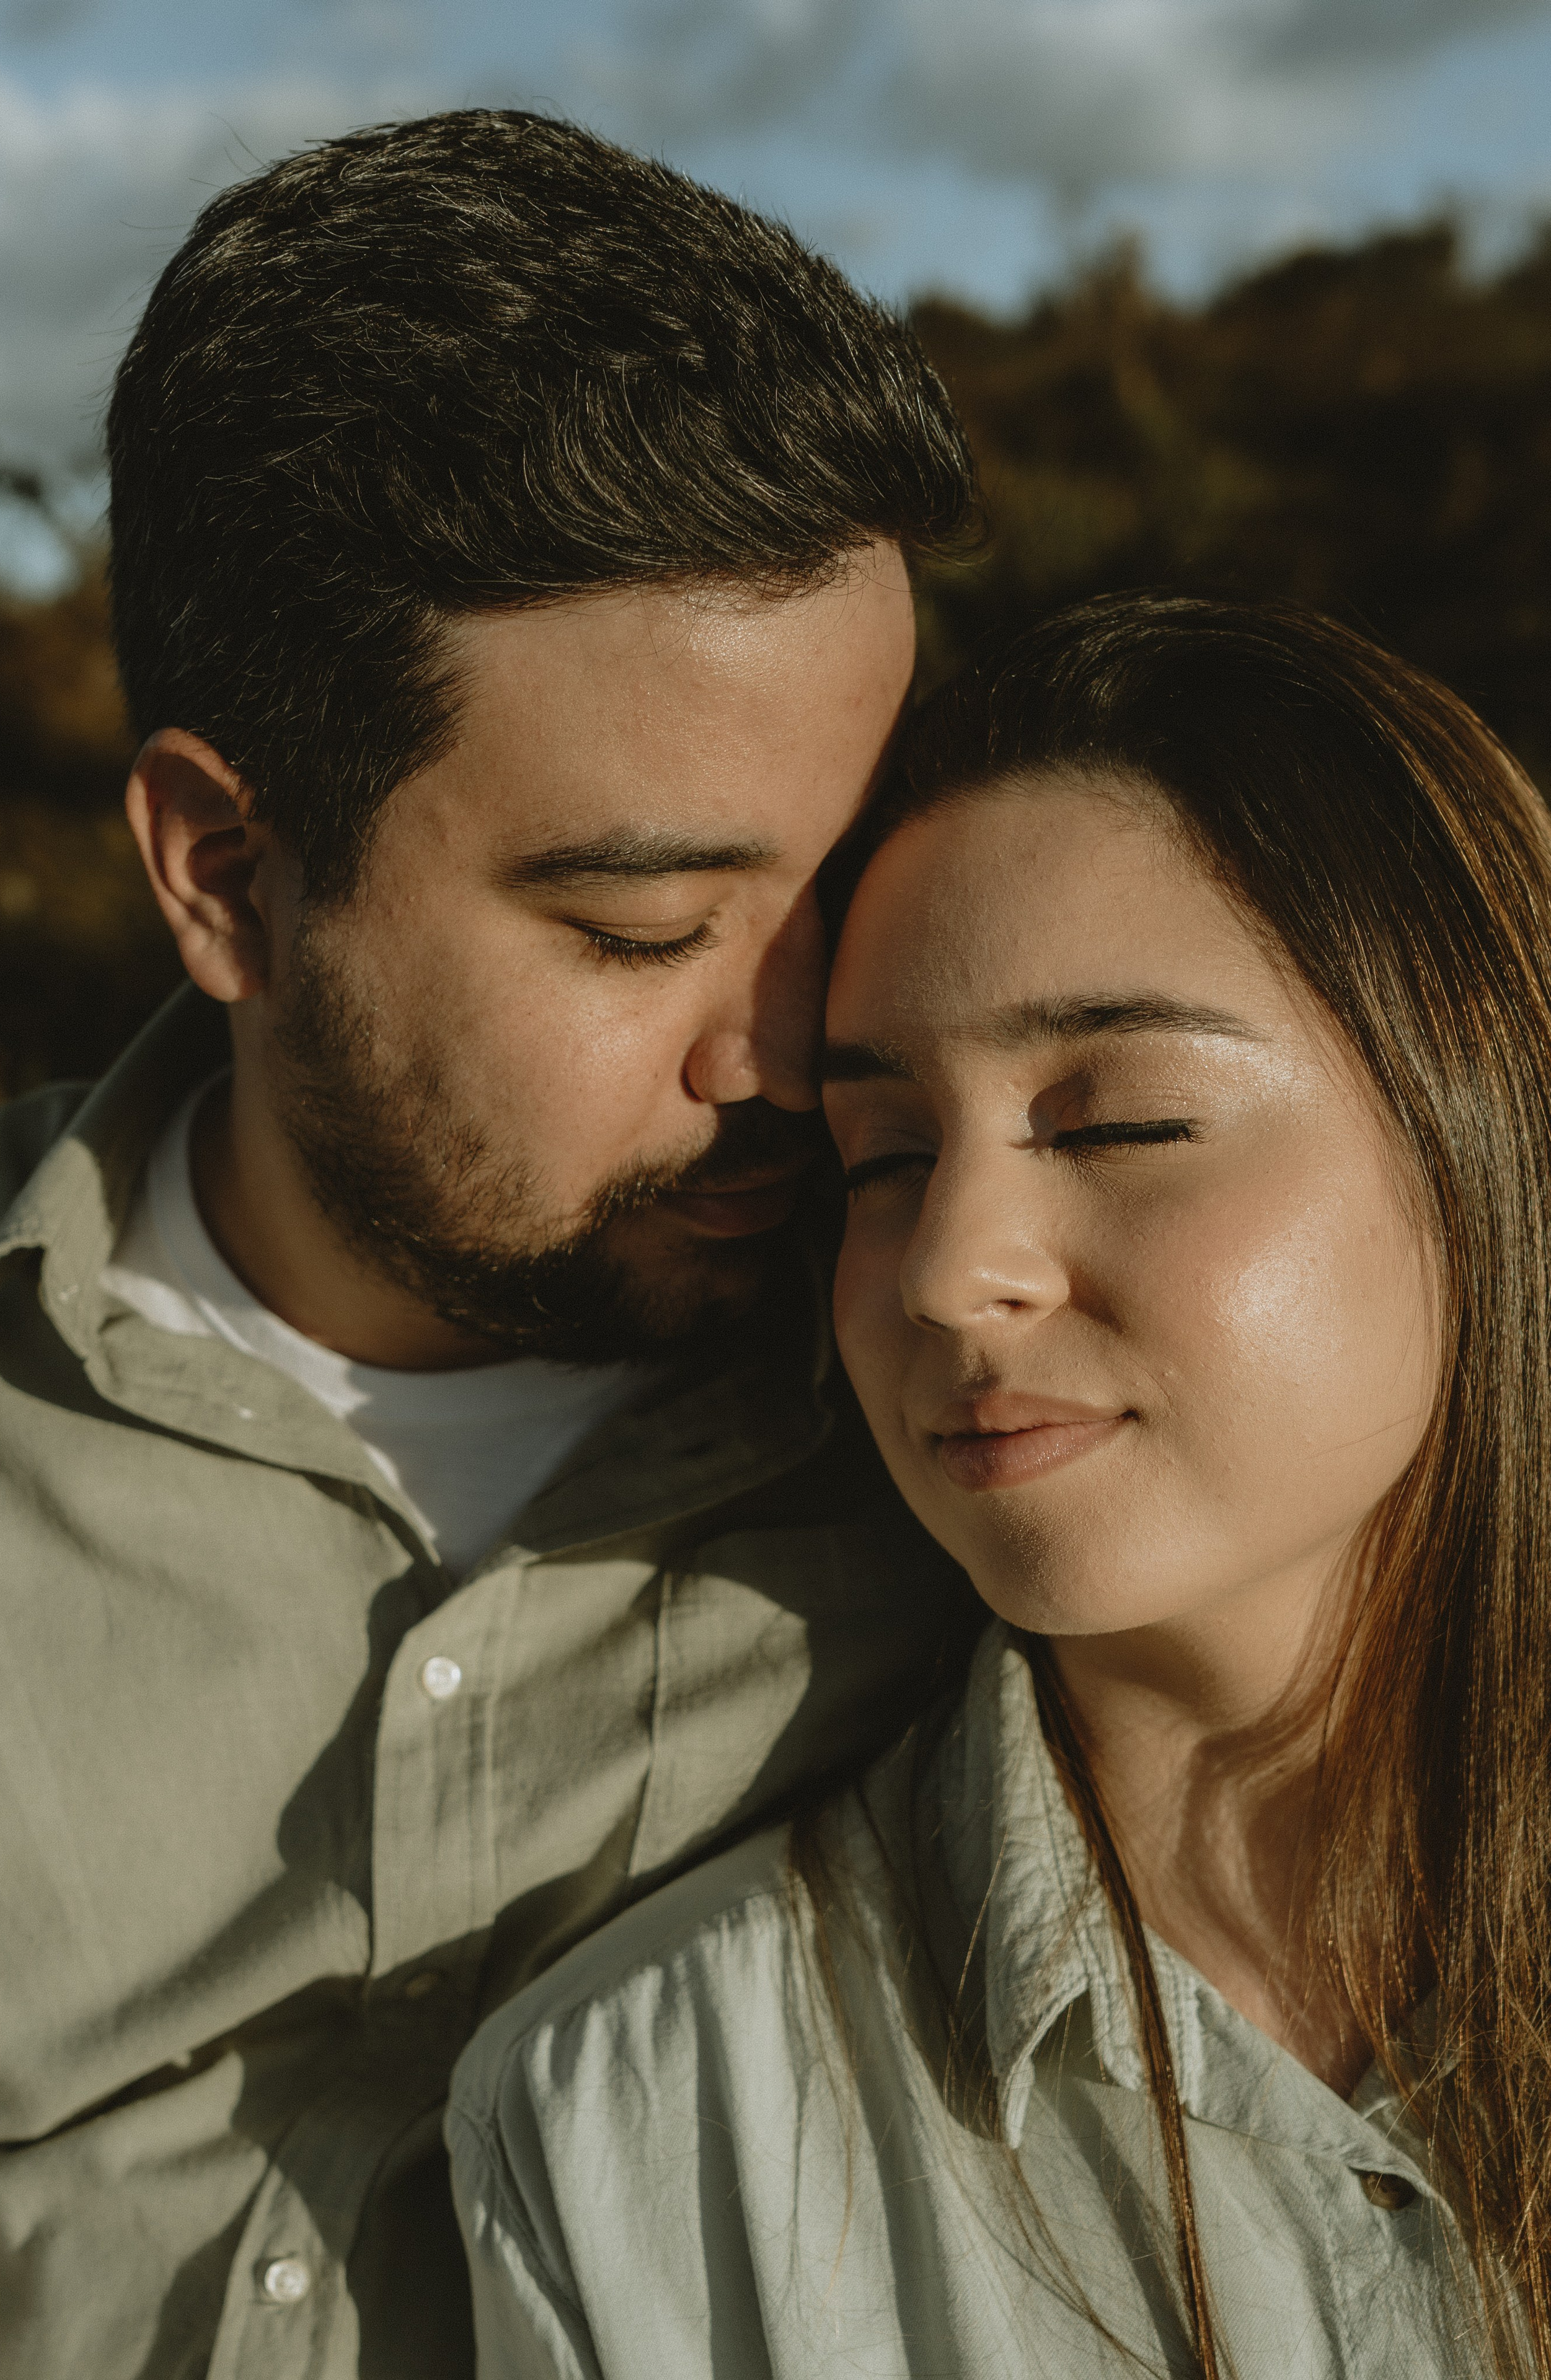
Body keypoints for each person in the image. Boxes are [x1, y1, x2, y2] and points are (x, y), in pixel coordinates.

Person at [0, 111, 981, 2378]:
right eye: (639, 929)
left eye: (844, 893)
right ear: (226, 873)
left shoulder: (1001, 1417)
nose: (795, 1048)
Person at [449, 593, 1551, 2379]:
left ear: (1484, 1117)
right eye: (882, 1155)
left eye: (1117, 1123)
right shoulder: (643, 2120)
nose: (950, 1268)